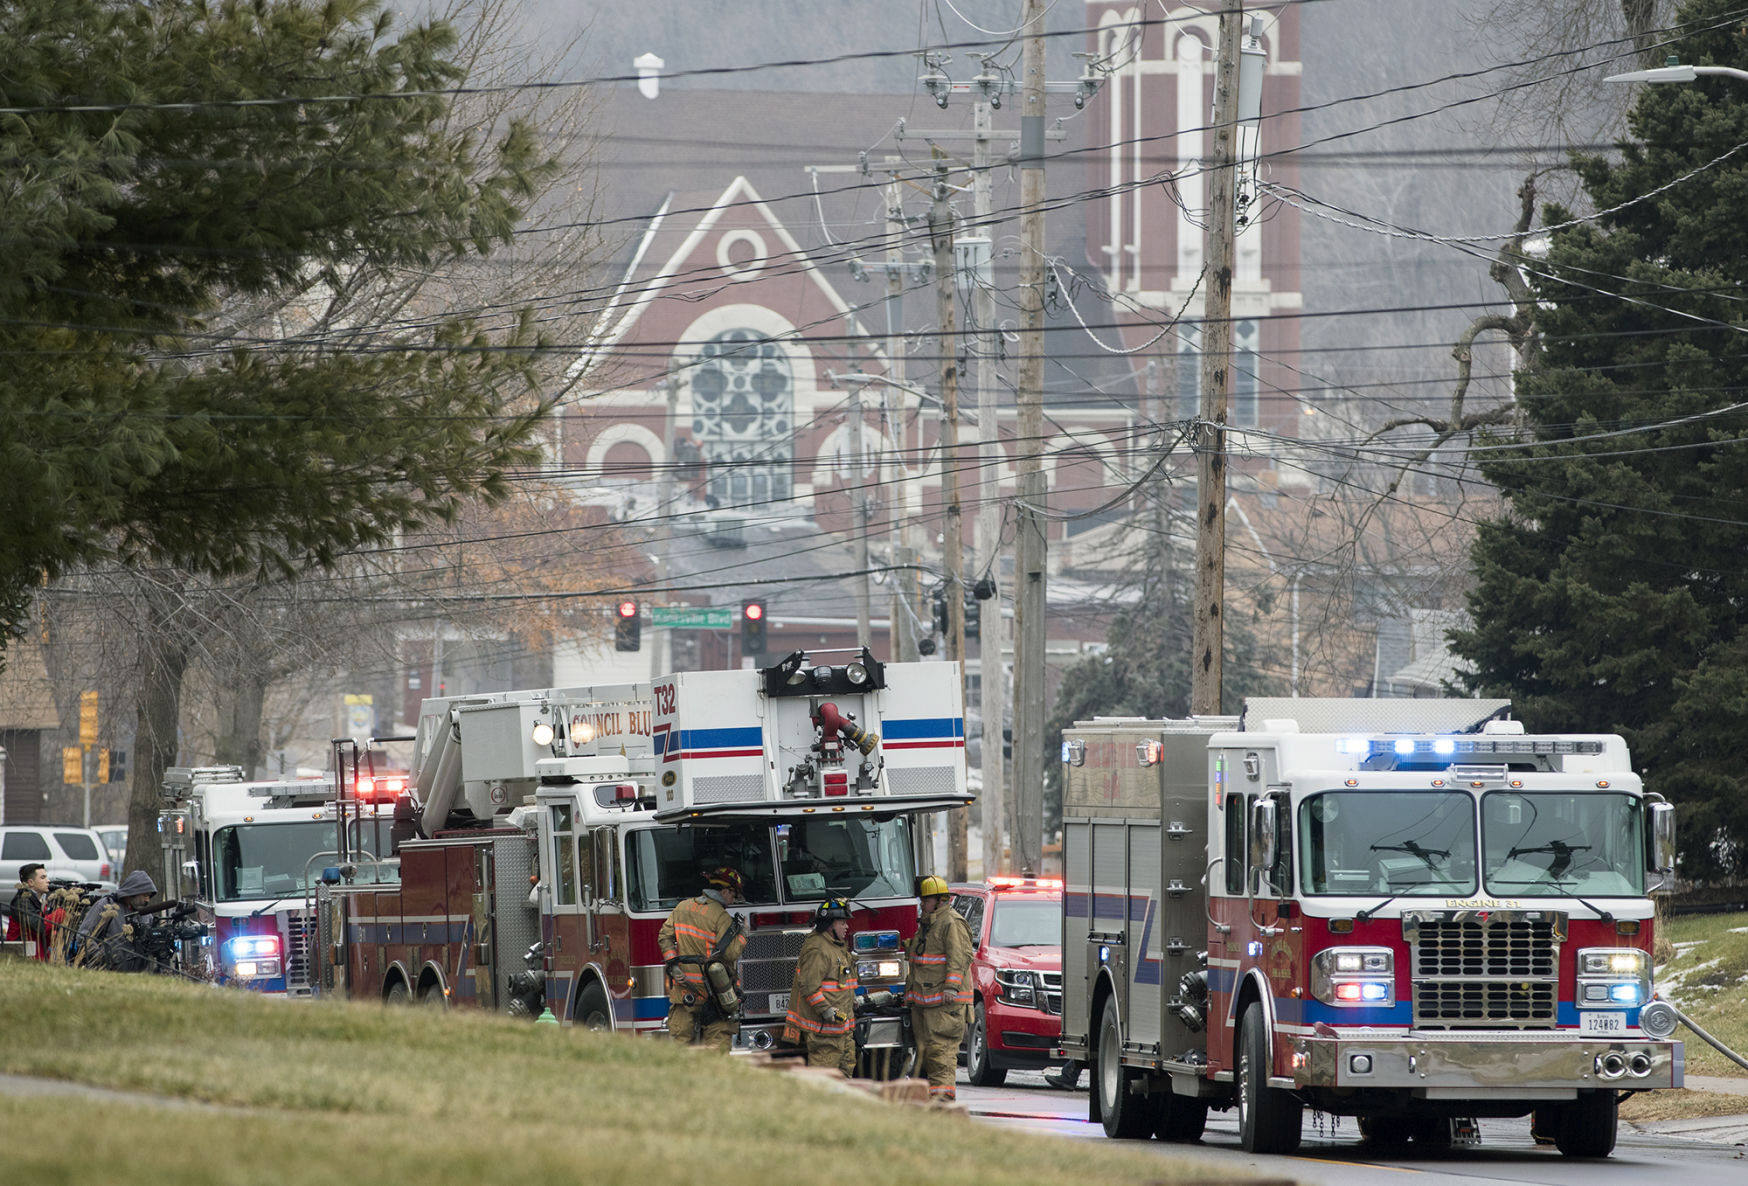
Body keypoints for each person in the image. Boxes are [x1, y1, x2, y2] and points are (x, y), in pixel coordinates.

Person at [658, 865, 748, 1050]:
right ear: (724, 891)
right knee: (716, 1055)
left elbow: (664, 937)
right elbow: (731, 953)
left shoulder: (682, 907)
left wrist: (674, 966)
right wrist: (744, 934)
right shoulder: (721, 916)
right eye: (733, 895)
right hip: (714, 997)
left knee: (680, 1053)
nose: (732, 901)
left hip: (685, 995)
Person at [905, 874, 973, 1103]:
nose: (921, 904)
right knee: (927, 1057)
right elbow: (923, 959)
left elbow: (960, 957)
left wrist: (951, 988)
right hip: (928, 1004)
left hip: (945, 1005)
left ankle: (943, 1106)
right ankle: (930, 1107)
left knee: (941, 1055)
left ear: (939, 900)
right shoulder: (929, 924)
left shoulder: (951, 922)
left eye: (925, 900)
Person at [782, 898, 858, 1075]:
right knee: (823, 1078)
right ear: (829, 925)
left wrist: (853, 1000)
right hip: (825, 1032)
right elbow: (809, 986)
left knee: (844, 1074)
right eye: (842, 923)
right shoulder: (818, 948)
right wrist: (826, 1010)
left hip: (842, 1030)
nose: (846, 927)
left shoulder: (836, 946)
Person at [75, 869, 159, 971]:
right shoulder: (106, 906)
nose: (147, 900)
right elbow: (83, 936)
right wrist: (102, 959)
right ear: (133, 892)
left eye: (149, 896)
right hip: (106, 972)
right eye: (145, 895)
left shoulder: (146, 914)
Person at [7, 863, 63, 960]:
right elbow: (40, 926)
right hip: (23, 958)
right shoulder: (22, 901)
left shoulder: (37, 900)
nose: (48, 881)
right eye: (43, 878)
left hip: (38, 955)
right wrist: (62, 912)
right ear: (31, 882)